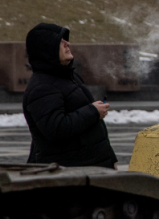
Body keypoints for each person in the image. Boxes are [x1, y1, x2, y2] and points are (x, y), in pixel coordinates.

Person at [21, 23, 116, 168]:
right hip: (69, 171)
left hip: (91, 166)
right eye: (60, 41)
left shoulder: (69, 77)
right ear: (47, 50)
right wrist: (93, 111)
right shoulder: (42, 87)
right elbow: (56, 128)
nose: (67, 43)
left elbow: (95, 129)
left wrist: (111, 158)